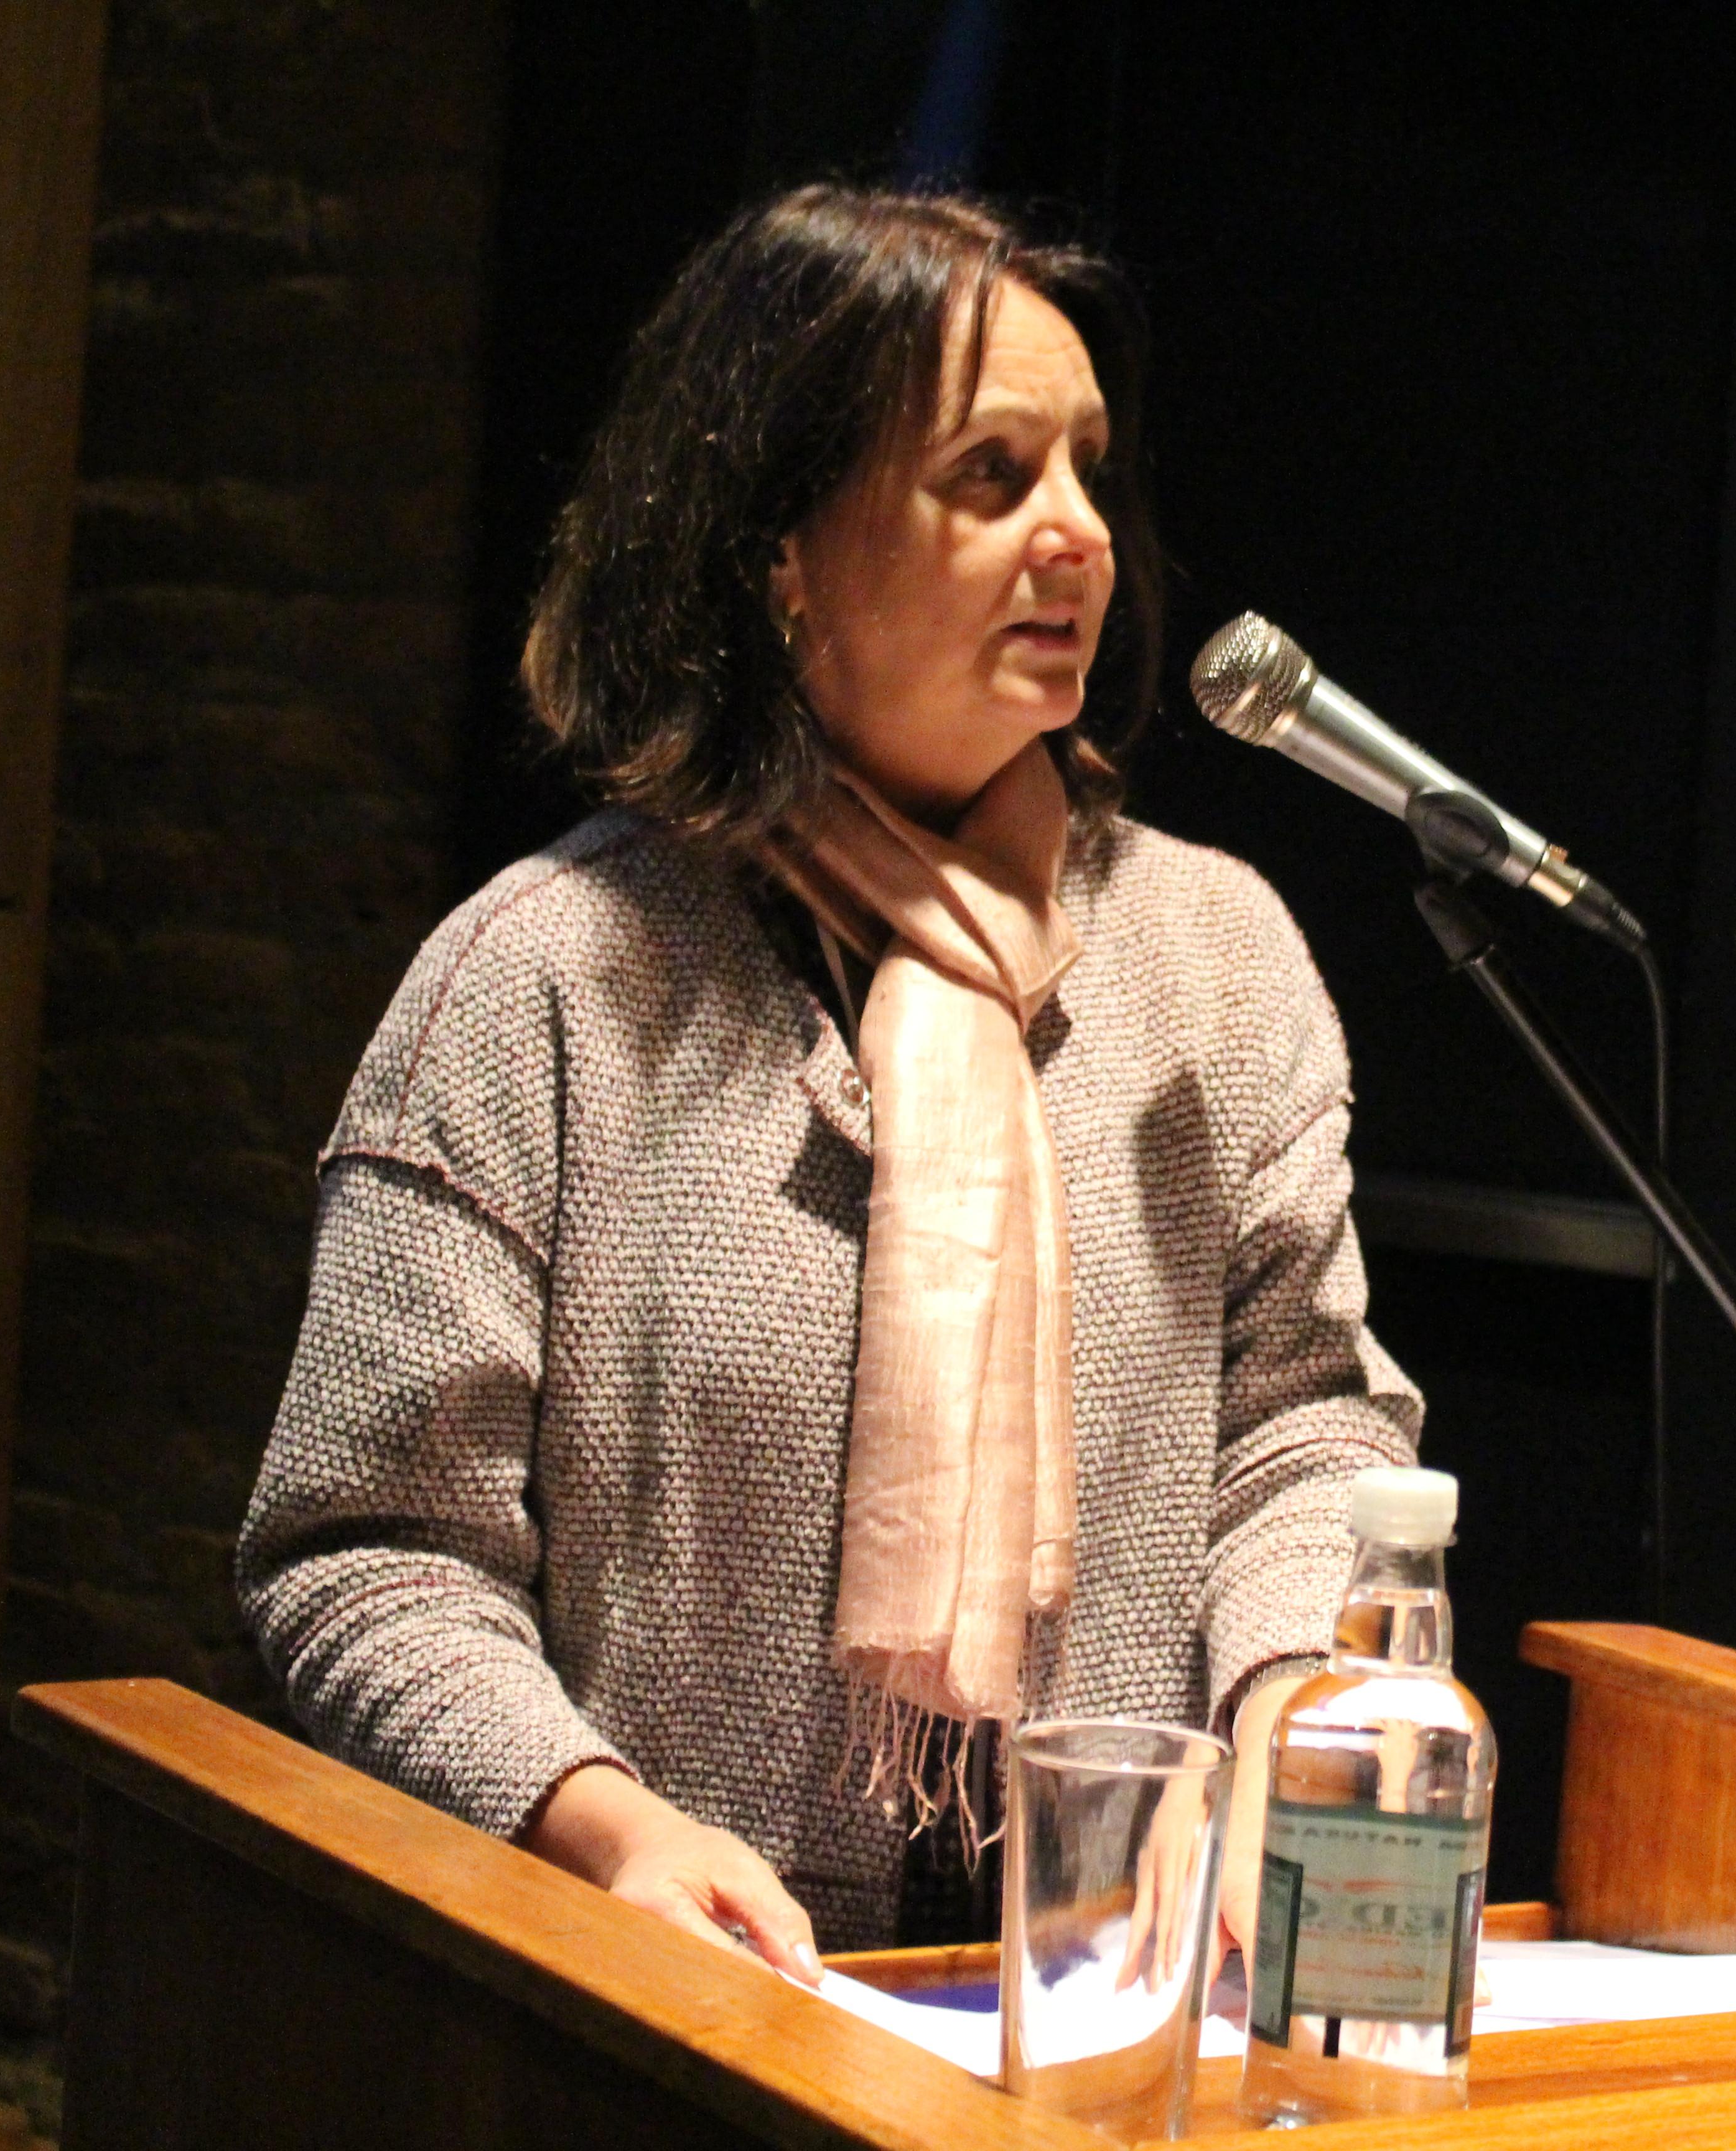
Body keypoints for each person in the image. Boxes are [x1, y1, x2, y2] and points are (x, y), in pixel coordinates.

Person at [235, 188, 1417, 1979]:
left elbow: (1299, 1428)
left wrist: (1286, 1711)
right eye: (992, 477)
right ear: (778, 547)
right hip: (679, 2002)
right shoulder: (546, 975)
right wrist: (598, 1821)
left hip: (1115, 1987)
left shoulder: (1215, 955)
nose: (1077, 536)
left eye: (1089, 471)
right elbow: (366, 1548)